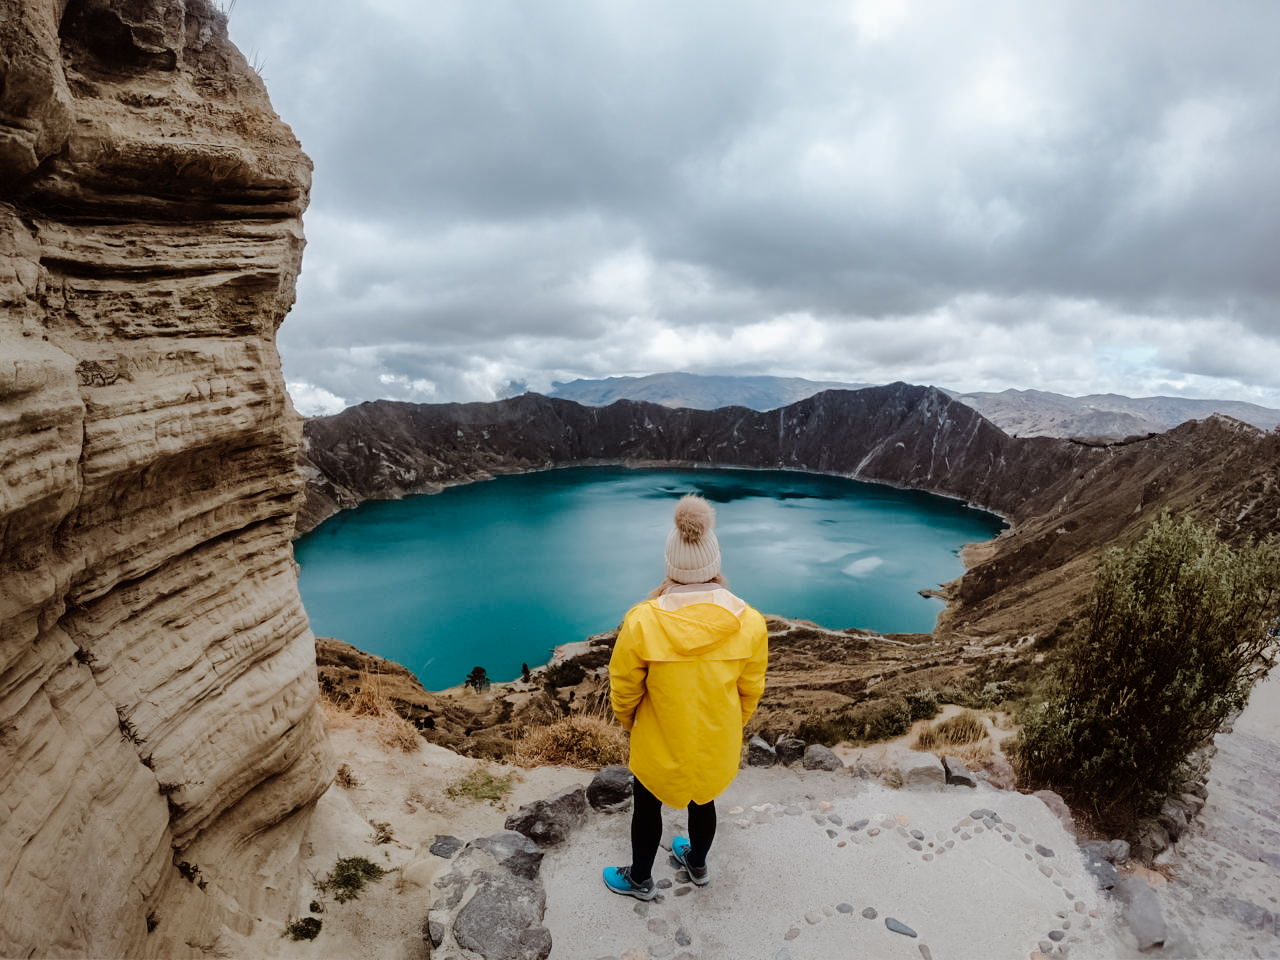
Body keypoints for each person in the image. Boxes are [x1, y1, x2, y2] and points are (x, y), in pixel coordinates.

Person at [603, 494, 769, 900]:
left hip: (658, 742)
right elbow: (751, 691)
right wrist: (732, 726)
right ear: (714, 564)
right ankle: (696, 863)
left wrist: (632, 725)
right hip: (715, 741)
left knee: (647, 808)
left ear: (671, 566)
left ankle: (640, 879)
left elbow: (623, 688)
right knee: (703, 802)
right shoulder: (749, 623)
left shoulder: (643, 620)